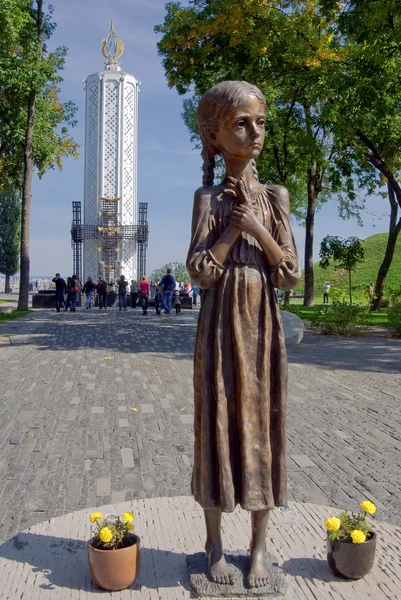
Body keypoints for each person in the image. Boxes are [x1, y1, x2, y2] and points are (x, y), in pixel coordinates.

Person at [187, 81, 301, 588]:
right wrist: (232, 231)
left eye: (261, 123)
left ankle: (258, 550)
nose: (255, 133)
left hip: (262, 329)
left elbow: (291, 274)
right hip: (217, 325)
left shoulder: (276, 197)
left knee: (262, 427)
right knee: (216, 421)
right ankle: (213, 544)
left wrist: (257, 229)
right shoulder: (207, 199)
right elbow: (200, 272)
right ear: (214, 135)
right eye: (241, 123)